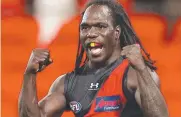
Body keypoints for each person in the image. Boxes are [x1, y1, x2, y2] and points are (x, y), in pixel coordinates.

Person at [18, 0, 169, 117]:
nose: (91, 33)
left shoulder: (136, 75)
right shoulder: (67, 83)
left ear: (116, 33)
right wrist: (29, 74)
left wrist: (141, 68)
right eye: (85, 27)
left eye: (100, 26)